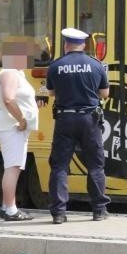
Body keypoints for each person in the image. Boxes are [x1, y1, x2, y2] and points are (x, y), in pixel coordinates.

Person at [46, 28, 110, 224]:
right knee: (95, 165)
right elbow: (105, 93)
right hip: (89, 120)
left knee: (59, 166)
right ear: (83, 44)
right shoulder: (95, 64)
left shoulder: (56, 66)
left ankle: (59, 213)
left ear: (66, 44)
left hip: (65, 120)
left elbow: (51, 92)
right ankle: (99, 210)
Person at [0, 42, 39, 221]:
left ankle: (6, 206)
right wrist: (22, 119)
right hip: (12, 126)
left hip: (12, 126)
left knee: (13, 166)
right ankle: (10, 210)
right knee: (13, 168)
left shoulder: (15, 72)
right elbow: (9, 99)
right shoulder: (9, 73)